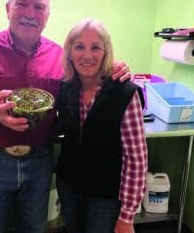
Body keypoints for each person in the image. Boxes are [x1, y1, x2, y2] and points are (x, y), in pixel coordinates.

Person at [0, 0, 131, 233]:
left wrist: (114, 70)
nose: (30, 14)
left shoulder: (60, 57)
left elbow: (88, 81)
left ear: (47, 15)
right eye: (22, 4)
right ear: (8, 8)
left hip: (39, 161)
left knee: (34, 229)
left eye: (39, 7)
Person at [56, 18, 148, 233]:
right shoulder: (66, 88)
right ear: (69, 52)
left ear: (106, 52)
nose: (87, 55)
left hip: (106, 196)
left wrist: (127, 216)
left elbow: (136, 159)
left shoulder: (124, 93)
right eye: (79, 46)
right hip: (69, 188)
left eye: (95, 47)